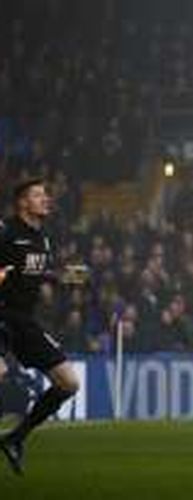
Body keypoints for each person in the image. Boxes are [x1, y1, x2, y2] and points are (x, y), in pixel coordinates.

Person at [0, 178, 82, 475]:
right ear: (23, 202)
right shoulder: (5, 230)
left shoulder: (43, 238)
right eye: (38, 195)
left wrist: (76, 276)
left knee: (69, 383)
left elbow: (42, 273)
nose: (46, 199)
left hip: (23, 320)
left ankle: (15, 438)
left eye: (46, 194)